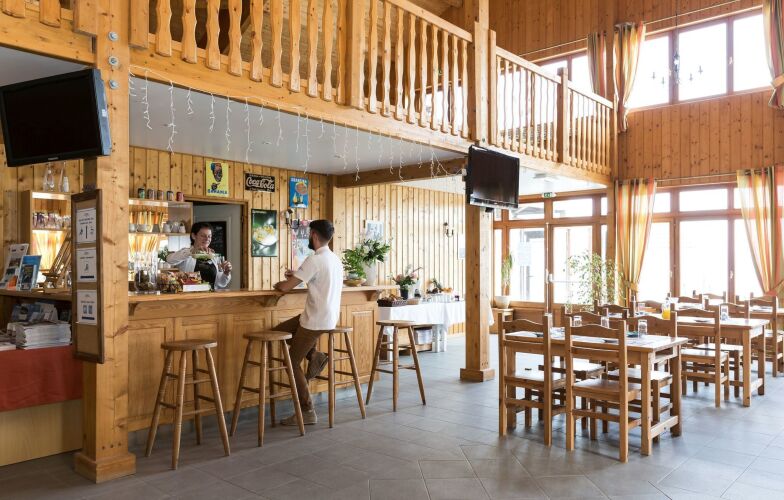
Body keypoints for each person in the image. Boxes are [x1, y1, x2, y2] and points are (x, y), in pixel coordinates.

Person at [273, 219, 343, 425]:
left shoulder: (314, 259)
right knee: (278, 332)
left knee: (292, 361)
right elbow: (315, 279)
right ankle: (315, 355)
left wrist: (280, 283)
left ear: (313, 235)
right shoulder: (334, 259)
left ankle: (307, 410)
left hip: (315, 320)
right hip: (325, 317)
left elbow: (285, 287)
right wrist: (296, 276)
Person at [166, 222, 233, 290]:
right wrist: (191, 252)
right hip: (189, 295)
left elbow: (221, 283)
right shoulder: (186, 253)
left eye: (209, 236)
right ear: (193, 236)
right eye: (203, 236)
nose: (207, 239)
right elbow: (169, 260)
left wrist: (226, 272)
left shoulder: (214, 257)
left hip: (211, 295)